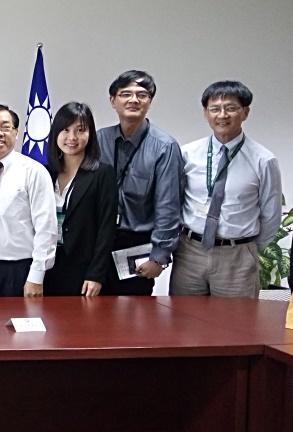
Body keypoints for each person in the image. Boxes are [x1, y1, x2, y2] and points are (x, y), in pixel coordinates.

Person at [171, 81, 282, 297]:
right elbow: (174, 201)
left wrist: (246, 248)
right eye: (215, 109)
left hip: (237, 256)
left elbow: (271, 215)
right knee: (183, 323)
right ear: (206, 113)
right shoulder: (187, 154)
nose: (222, 115)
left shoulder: (263, 160)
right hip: (190, 252)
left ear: (245, 112)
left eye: (231, 108)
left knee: (235, 325)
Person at [97, 70, 183, 296]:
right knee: (90, 314)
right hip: (98, 243)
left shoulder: (164, 146)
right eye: (126, 94)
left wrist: (159, 257)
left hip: (136, 246)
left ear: (150, 102)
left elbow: (168, 206)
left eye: (142, 95)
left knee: (132, 319)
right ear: (113, 100)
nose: (134, 100)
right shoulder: (99, 140)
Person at [0, 104, 57, 297]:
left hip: (18, 272)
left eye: (5, 127)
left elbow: (47, 228)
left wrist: (36, 277)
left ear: (16, 133)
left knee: (17, 326)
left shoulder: (34, 172)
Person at [42, 102, 117, 297]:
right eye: (65, 130)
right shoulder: (43, 172)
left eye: (80, 130)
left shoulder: (103, 173)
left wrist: (96, 274)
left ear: (90, 134)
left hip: (83, 269)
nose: (72, 137)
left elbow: (106, 228)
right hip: (46, 265)